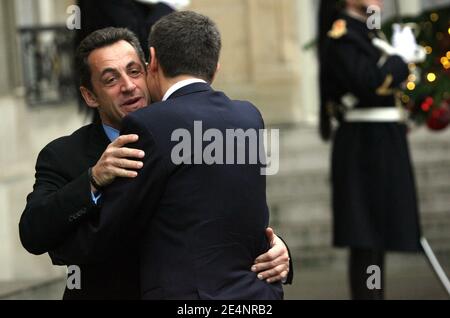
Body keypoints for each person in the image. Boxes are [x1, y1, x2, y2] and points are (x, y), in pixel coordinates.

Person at [19, 27, 292, 299]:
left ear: (151, 70)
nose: (128, 86)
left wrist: (273, 246)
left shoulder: (194, 133)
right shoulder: (63, 155)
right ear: (90, 95)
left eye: (134, 71)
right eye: (111, 79)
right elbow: (33, 232)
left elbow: (223, 212)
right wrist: (91, 180)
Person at [318, 0, 424, 300]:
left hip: (382, 140)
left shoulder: (368, 32)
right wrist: (400, 60)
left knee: (379, 232)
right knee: (366, 235)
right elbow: (368, 82)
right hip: (364, 146)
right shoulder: (341, 36)